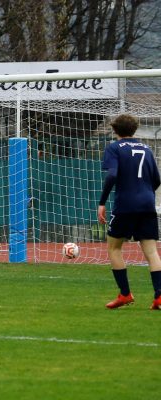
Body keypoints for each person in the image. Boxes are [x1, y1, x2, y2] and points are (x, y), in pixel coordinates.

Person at [97, 114, 161, 310]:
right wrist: (145, 193)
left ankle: (125, 294)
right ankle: (159, 297)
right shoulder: (147, 148)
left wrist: (102, 202)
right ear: (134, 129)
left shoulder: (114, 148)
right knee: (151, 251)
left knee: (114, 248)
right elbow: (157, 179)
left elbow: (112, 175)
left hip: (125, 205)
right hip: (147, 204)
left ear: (115, 130)